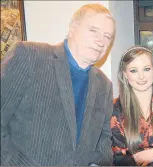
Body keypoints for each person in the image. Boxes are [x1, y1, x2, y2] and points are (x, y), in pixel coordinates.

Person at [1, 4, 115, 166]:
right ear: (72, 29)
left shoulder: (104, 85)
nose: (100, 41)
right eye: (93, 30)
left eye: (107, 36)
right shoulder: (29, 56)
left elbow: (104, 140)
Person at [111, 46, 153, 166]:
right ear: (125, 74)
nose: (141, 76)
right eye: (133, 71)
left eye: (146, 69)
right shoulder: (114, 109)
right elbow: (114, 157)